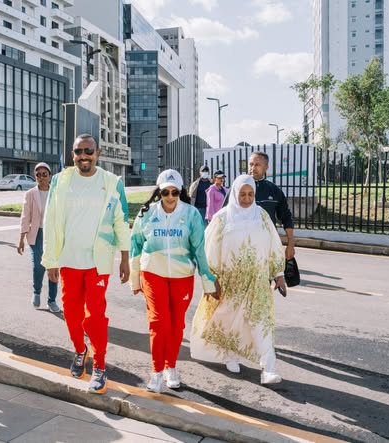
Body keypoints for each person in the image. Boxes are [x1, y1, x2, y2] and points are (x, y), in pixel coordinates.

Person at [42, 134, 130, 395]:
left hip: (97, 262)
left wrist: (125, 258)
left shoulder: (112, 182)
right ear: (73, 154)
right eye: (78, 151)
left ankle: (100, 366)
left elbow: (121, 221)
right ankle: (80, 350)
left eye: (88, 151)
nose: (84, 156)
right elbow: (50, 221)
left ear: (98, 153)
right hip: (69, 260)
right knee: (71, 314)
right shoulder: (60, 181)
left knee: (96, 316)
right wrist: (51, 260)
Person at [190, 174, 286, 385]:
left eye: (251, 194)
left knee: (262, 324)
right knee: (231, 321)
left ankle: (268, 368)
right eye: (242, 194)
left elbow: (273, 244)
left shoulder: (261, 216)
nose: (247, 198)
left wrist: (279, 274)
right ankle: (230, 355)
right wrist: (211, 279)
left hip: (258, 282)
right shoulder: (222, 218)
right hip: (231, 283)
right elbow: (209, 249)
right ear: (234, 193)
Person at [130, 169, 219, 393]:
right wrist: (134, 280)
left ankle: (171, 367)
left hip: (182, 276)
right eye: (165, 192)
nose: (170, 197)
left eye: (175, 192)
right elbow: (135, 246)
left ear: (181, 192)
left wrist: (208, 282)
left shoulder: (191, 214)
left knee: (176, 324)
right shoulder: (146, 212)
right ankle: (157, 372)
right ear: (159, 192)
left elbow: (199, 250)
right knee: (158, 323)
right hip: (152, 273)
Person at [17, 162, 60, 313]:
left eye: (44, 174)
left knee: (53, 265)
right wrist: (21, 239)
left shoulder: (57, 192)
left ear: (50, 176)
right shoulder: (30, 194)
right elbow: (25, 217)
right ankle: (36, 292)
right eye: (38, 175)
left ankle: (52, 300)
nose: (41, 177)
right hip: (37, 234)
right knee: (38, 266)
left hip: (53, 234)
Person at [248, 152, 295, 260]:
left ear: (266, 167)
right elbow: (224, 216)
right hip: (243, 245)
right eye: (251, 164)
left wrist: (291, 244)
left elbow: (286, 217)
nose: (253, 168)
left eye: (257, 165)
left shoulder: (274, 190)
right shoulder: (237, 189)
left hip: (268, 246)